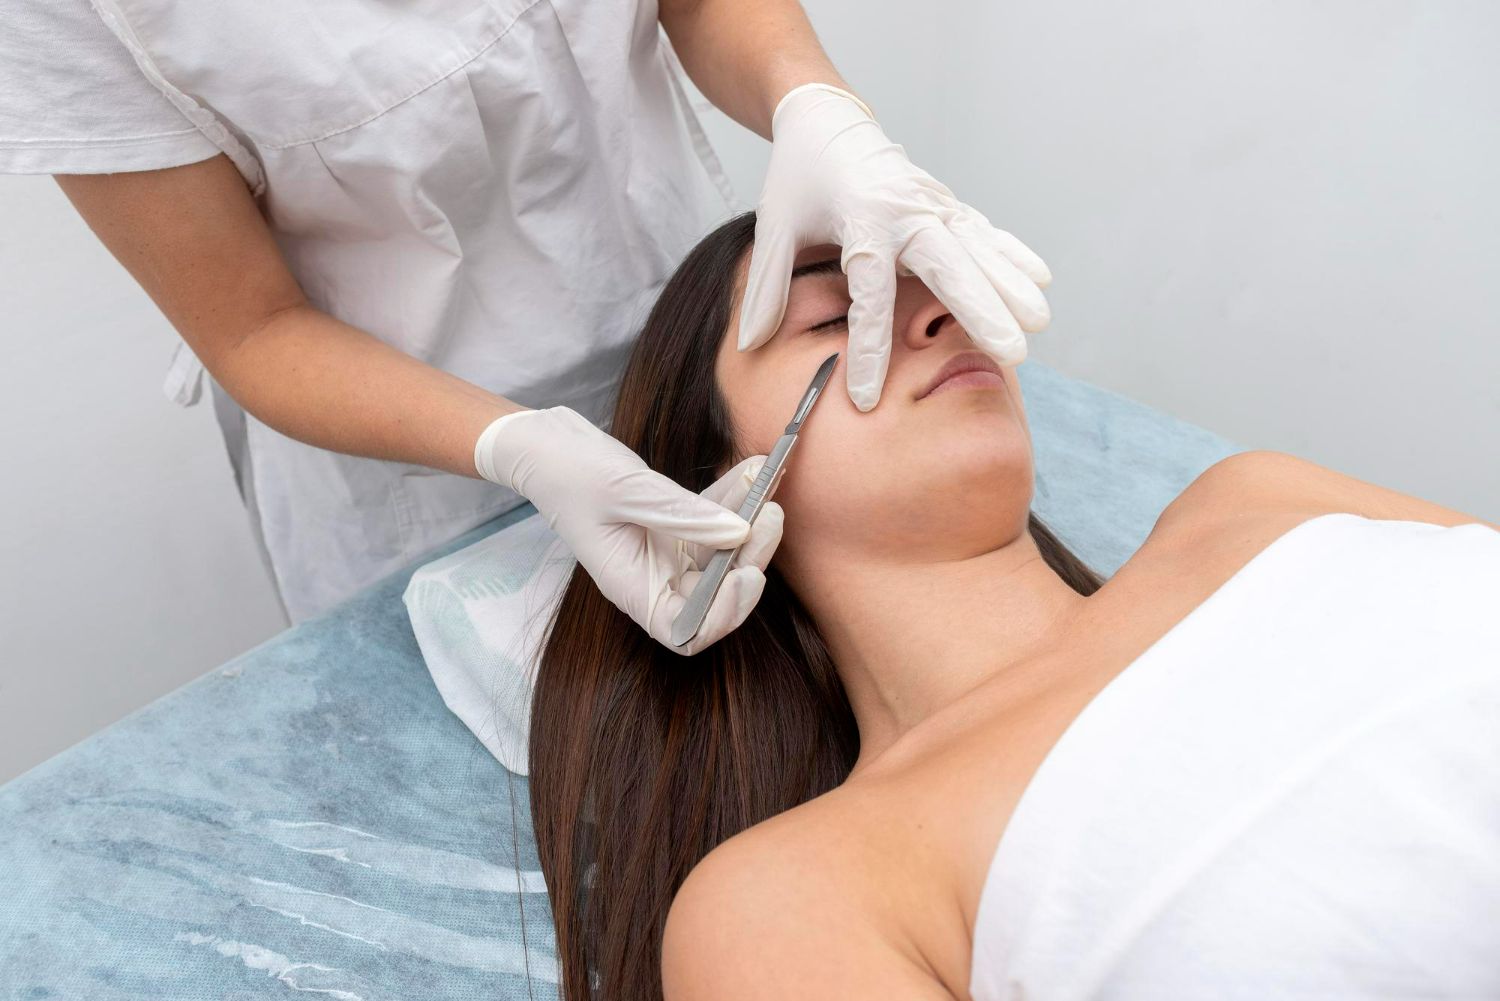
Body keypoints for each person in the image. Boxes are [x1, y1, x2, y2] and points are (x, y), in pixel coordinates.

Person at [525, 211, 1500, 1000]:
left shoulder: (1256, 498)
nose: (940, 317)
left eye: (938, 288)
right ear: (708, 490)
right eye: (835, 319)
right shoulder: (797, 894)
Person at [0, 0, 1051, 639]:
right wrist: (517, 444)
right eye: (826, 323)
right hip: (403, 462)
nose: (930, 320)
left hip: (664, 313)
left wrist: (807, 95)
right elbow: (253, 327)